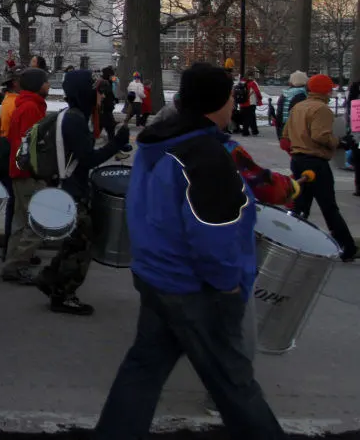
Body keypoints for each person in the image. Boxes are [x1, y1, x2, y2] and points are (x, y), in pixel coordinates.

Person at [94, 63, 287, 440]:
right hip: (195, 287)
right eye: (231, 96)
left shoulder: (158, 141)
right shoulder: (206, 156)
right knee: (234, 383)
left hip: (156, 276)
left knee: (144, 367)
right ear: (215, 102)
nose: (234, 102)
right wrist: (227, 284)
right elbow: (213, 232)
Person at [34, 70, 130, 315]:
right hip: (72, 192)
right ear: (83, 92)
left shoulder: (72, 115)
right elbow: (88, 159)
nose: (100, 96)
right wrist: (116, 145)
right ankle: (64, 294)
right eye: (96, 90)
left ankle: (50, 279)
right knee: (81, 245)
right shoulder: (75, 120)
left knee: (73, 242)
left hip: (67, 188)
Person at [287, 74, 357, 261]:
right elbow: (320, 136)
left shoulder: (298, 107)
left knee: (300, 205)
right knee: (329, 207)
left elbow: (285, 135)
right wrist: (339, 142)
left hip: (297, 159)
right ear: (326, 90)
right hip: (315, 162)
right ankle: (347, 247)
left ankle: (290, 241)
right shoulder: (321, 109)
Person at [0, 68, 51, 284]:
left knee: (21, 221)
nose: (49, 85)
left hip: (20, 171)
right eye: (46, 81)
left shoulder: (27, 105)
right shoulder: (31, 108)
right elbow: (31, 146)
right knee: (38, 222)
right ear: (38, 85)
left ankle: (12, 264)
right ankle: (16, 264)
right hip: (28, 172)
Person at [236, 69, 262, 137]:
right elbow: (257, 92)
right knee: (249, 117)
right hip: (250, 103)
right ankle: (246, 131)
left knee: (248, 117)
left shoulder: (241, 82)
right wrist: (260, 99)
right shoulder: (253, 83)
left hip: (242, 102)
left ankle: (254, 130)